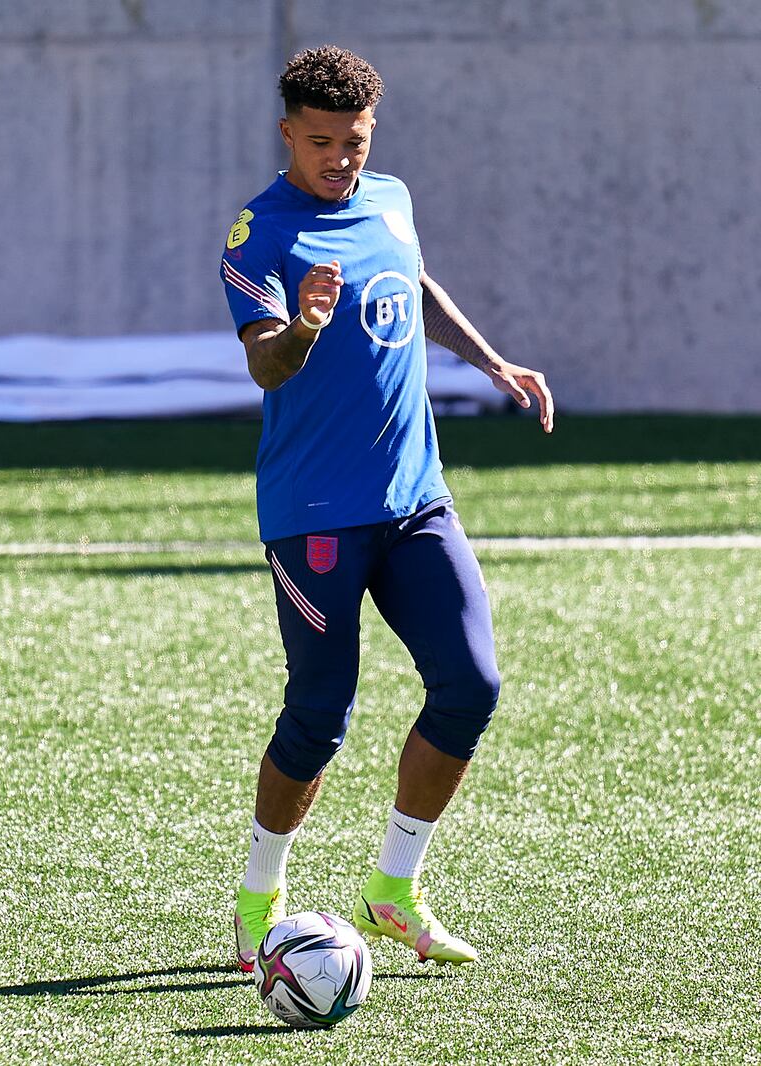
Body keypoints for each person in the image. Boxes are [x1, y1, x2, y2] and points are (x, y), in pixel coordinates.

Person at [221, 45, 553, 970]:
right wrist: (303, 328)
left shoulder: (391, 197)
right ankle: (259, 900)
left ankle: (392, 890)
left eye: (354, 142)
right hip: (314, 514)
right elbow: (263, 364)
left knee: (472, 685)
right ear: (288, 133)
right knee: (320, 713)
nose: (340, 159)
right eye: (321, 142)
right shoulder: (261, 237)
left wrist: (489, 359)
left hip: (416, 500)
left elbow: (409, 282)